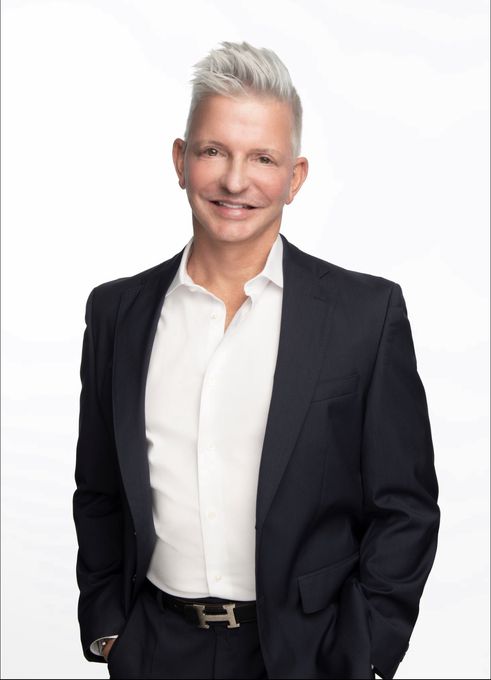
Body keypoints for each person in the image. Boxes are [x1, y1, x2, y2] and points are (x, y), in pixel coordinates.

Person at [73, 41, 440, 680]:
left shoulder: (364, 315)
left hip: (307, 655)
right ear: (181, 160)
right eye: (214, 151)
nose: (235, 181)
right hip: (156, 649)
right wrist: (111, 630)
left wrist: (367, 650)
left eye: (262, 158)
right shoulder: (117, 313)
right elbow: (99, 488)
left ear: (295, 177)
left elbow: (405, 506)